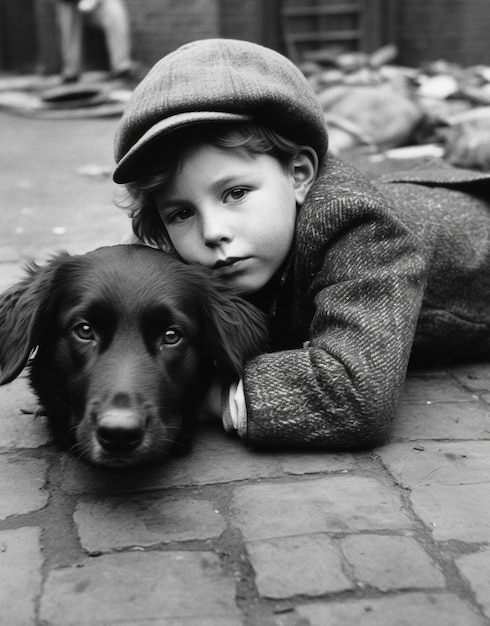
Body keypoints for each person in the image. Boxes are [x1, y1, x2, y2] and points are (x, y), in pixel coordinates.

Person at [112, 38, 490, 450]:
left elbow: (354, 395)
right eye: (181, 213)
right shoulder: (226, 242)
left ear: (298, 174)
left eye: (235, 193)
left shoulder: (359, 230)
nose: (212, 231)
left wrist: (210, 397)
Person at [55, 0, 135, 83]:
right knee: (68, 13)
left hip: (97, 3)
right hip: (70, 3)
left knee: (114, 8)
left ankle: (122, 67)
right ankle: (71, 71)